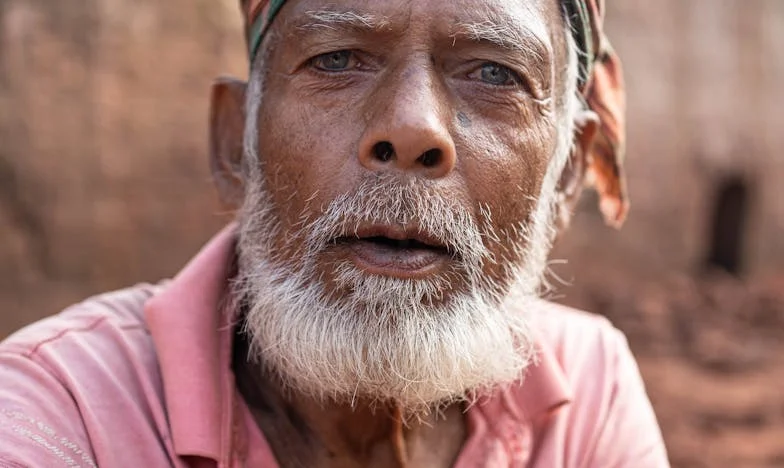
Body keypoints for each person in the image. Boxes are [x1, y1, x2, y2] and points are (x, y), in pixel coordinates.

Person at [0, 0, 669, 466]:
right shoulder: (58, 414)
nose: (410, 132)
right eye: (337, 59)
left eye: (495, 73)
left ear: (565, 177)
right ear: (236, 145)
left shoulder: (589, 385)